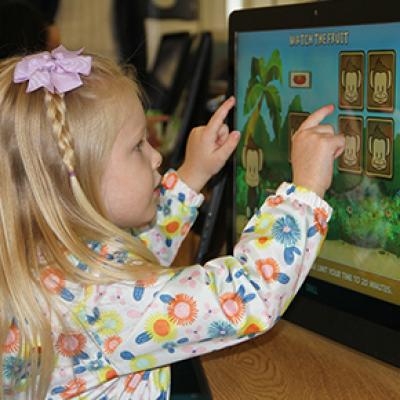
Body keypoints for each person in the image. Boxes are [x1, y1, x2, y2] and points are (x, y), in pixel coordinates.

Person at [0, 45, 344, 399]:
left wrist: (193, 174)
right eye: (137, 146)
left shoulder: (51, 261)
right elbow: (246, 296)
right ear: (75, 182)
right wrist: (305, 189)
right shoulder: (97, 301)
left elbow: (136, 265)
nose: (155, 155)